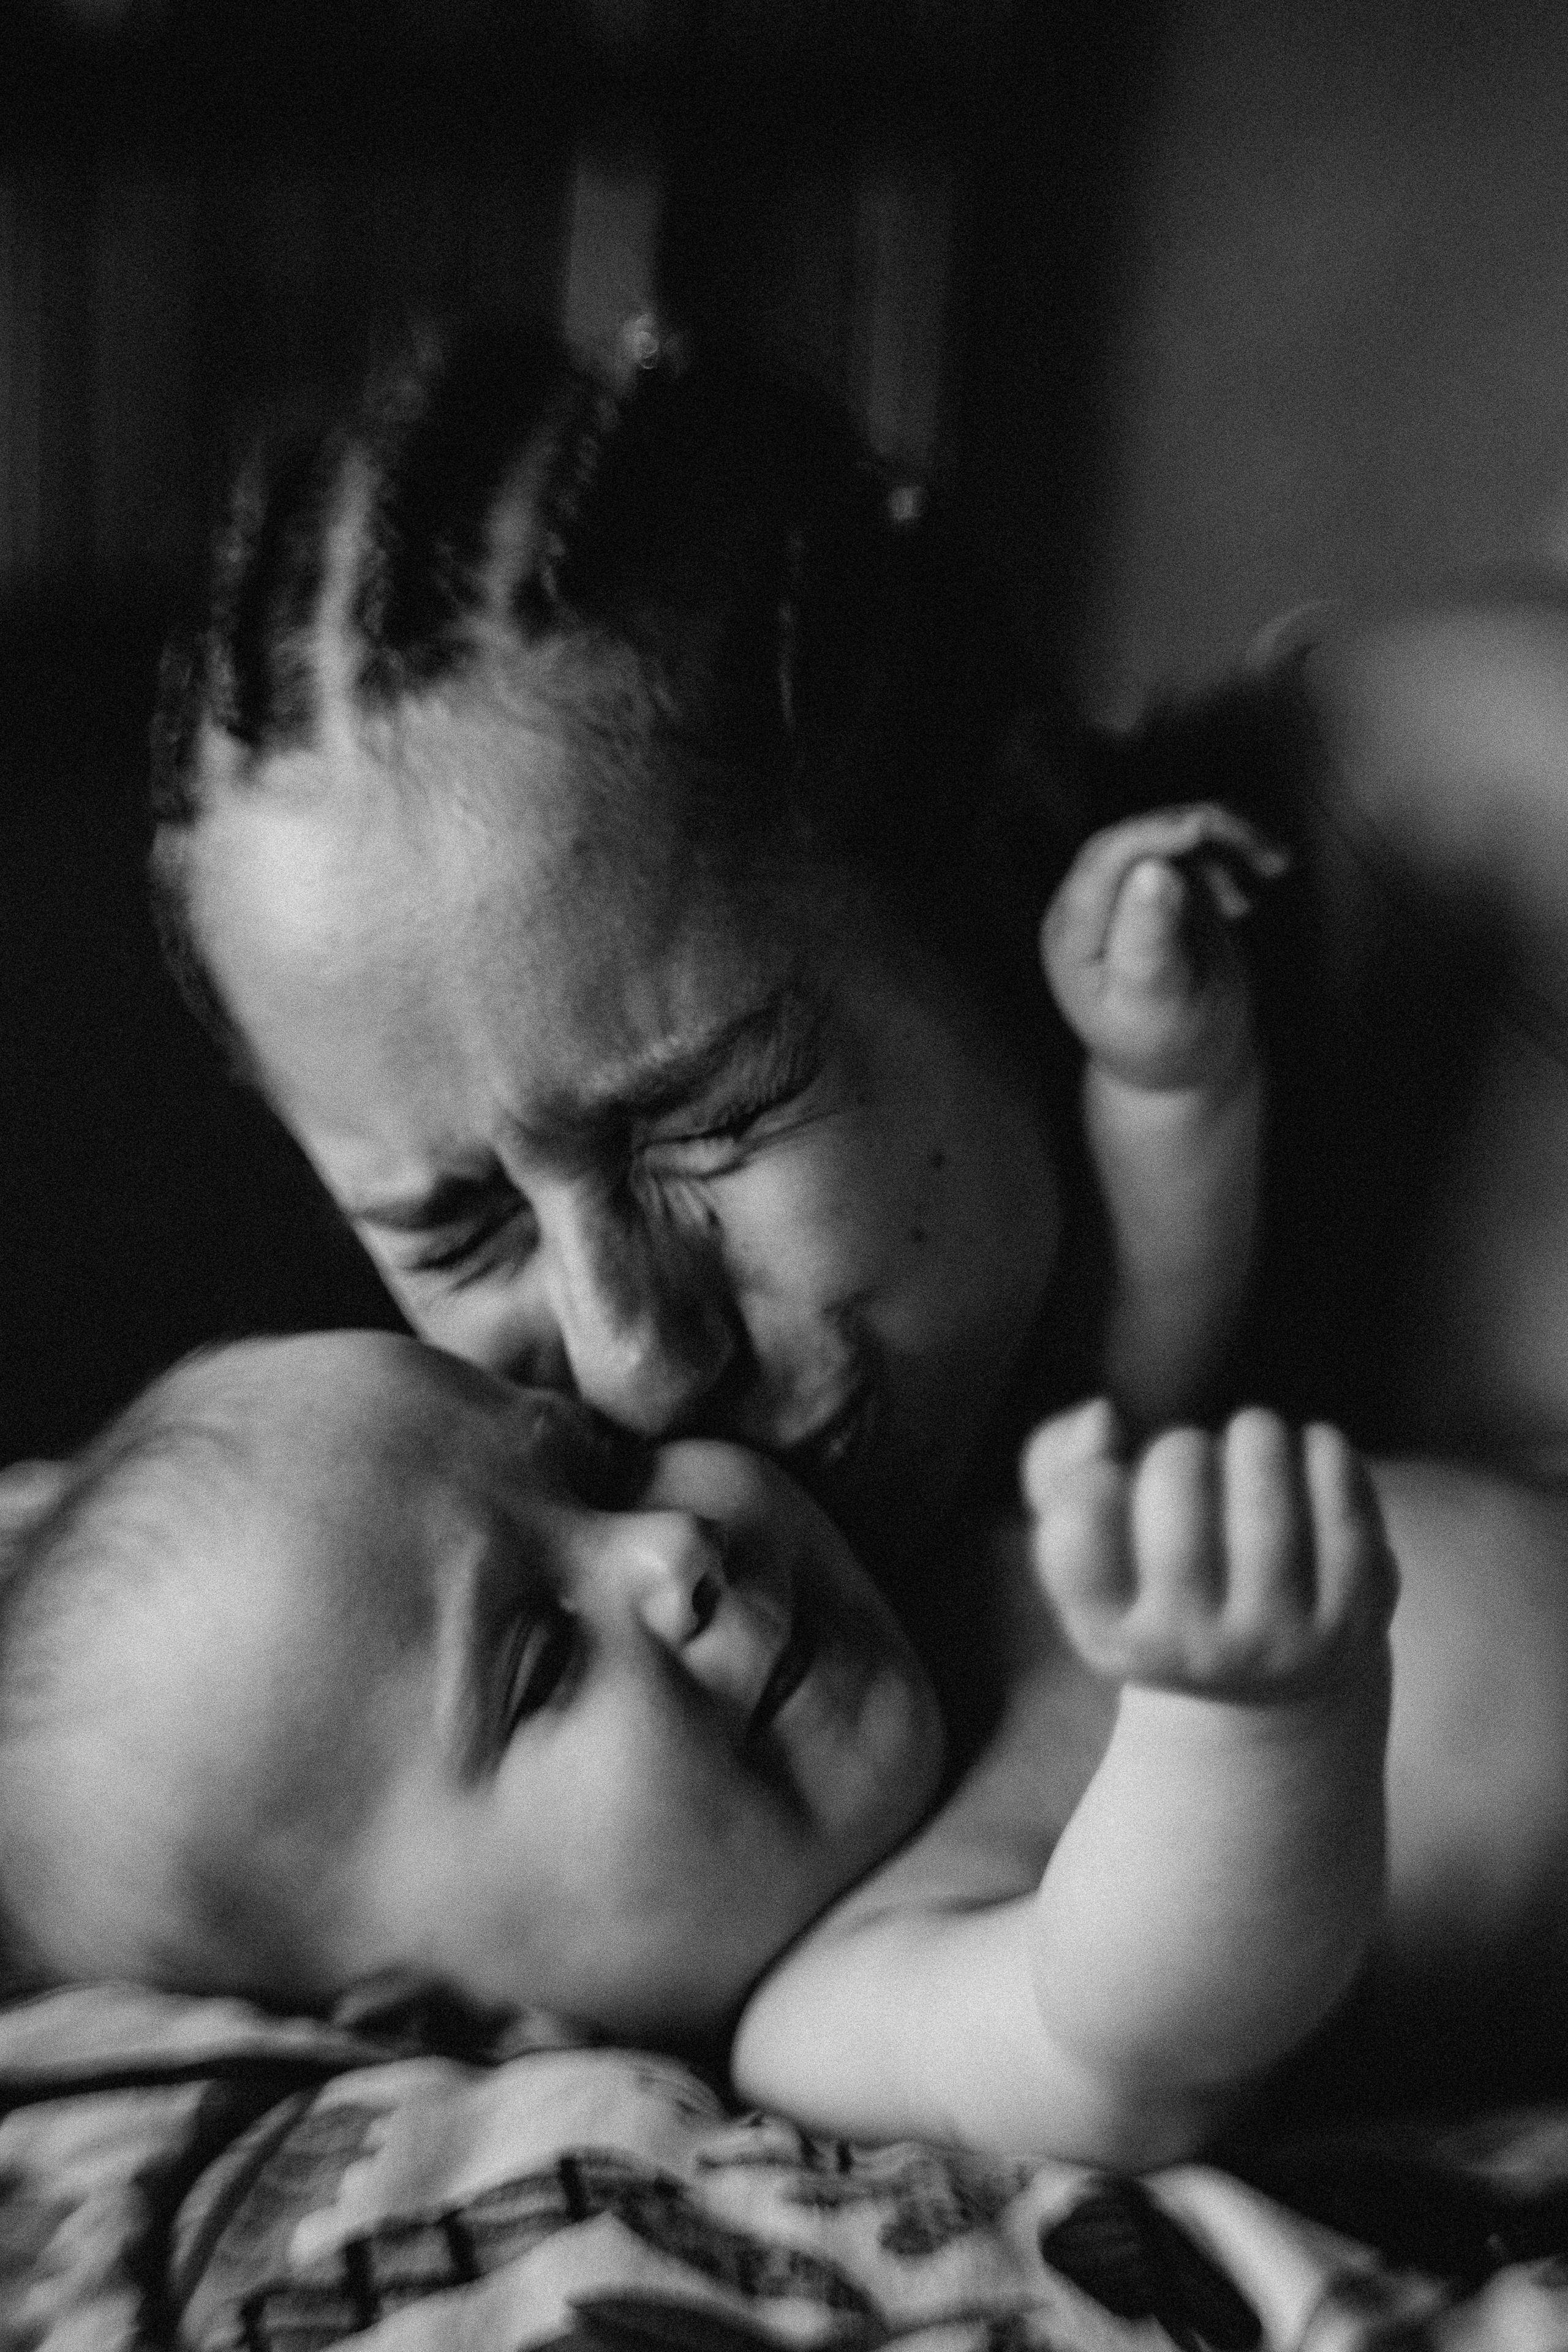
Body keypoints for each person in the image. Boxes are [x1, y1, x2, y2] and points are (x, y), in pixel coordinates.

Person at [147, 315, 1568, 2104]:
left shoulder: (1454, 804)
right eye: (457, 1232)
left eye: (707, 1122)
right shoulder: (792, 1729)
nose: (633, 1364)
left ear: (1014, 843)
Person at [0, 1330, 1395, 2169]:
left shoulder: (913, 1586)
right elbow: (1142, 2029)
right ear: (469, 2027)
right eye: (538, 1660)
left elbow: (1142, 1361)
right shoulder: (835, 2015)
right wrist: (1253, 1718)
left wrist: (1173, 1102)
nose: (670, 1548)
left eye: (597, 1466)